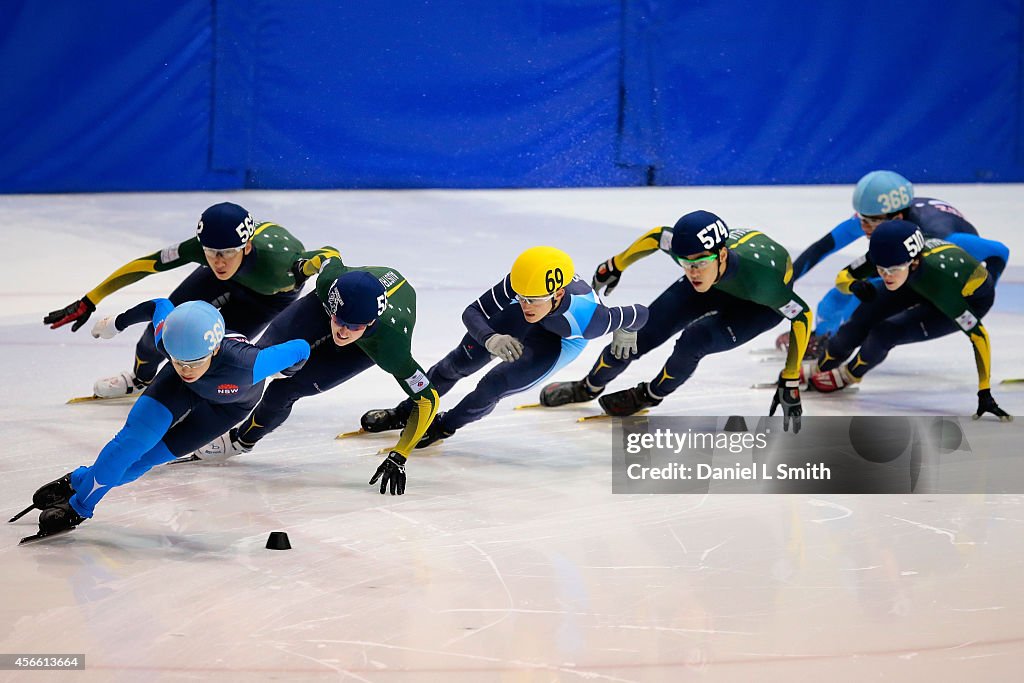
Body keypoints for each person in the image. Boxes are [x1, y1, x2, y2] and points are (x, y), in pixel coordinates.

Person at [15, 299, 311, 539]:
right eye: (178, 360)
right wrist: (117, 323)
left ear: (215, 348)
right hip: (177, 390)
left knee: (141, 462)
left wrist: (288, 373)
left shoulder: (250, 364)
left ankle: (81, 479)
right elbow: (159, 305)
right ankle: (80, 506)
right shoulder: (169, 343)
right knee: (131, 444)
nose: (186, 368)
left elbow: (301, 348)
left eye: (194, 362)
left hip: (227, 406)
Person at [539, 210, 811, 432]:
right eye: (684, 262)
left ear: (723, 255)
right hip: (718, 283)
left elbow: (802, 315)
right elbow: (658, 236)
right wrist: (616, 264)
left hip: (756, 305)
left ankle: (650, 395)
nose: (692, 270)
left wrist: (789, 379)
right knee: (638, 333)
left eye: (699, 262)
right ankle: (587, 387)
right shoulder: (695, 255)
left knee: (695, 340)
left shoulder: (764, 282)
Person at [192, 260, 439, 496]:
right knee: (261, 359)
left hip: (371, 341)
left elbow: (428, 399)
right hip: (327, 304)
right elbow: (327, 255)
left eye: (353, 327)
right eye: (339, 322)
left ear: (370, 321)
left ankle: (241, 441)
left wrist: (400, 454)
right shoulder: (330, 282)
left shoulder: (391, 346)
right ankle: (198, 400)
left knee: (286, 389)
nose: (342, 331)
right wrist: (301, 268)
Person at [359, 246, 649, 446]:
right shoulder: (520, 284)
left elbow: (640, 312)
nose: (525, 304)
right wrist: (490, 338)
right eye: (521, 297)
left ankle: (443, 426)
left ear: (558, 294)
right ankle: (406, 411)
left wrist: (627, 329)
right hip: (533, 320)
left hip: (561, 338)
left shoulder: (591, 319)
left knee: (493, 385)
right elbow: (472, 312)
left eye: (532, 299)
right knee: (459, 362)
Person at [43, 202, 338, 398]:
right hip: (229, 279)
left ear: (246, 247)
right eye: (211, 252)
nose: (219, 261)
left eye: (226, 253)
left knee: (206, 352)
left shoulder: (281, 263)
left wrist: (328, 270)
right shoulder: (202, 251)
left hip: (267, 297)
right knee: (164, 330)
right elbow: (145, 265)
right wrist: (90, 299)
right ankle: (139, 379)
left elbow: (326, 255)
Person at [779, 170, 1010, 355]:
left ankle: (831, 341)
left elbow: (999, 252)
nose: (863, 228)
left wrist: (988, 288)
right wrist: (786, 282)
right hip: (907, 262)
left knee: (864, 297)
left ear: (896, 217)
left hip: (939, 274)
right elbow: (822, 248)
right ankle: (822, 336)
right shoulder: (877, 214)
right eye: (861, 220)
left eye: (870, 223)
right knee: (844, 290)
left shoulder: (945, 238)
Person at [805, 220, 1012, 422]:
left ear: (914, 261)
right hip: (915, 282)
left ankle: (850, 374)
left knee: (884, 333)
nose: (886, 275)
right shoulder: (888, 254)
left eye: (892, 269)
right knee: (857, 323)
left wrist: (984, 391)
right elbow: (843, 276)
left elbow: (979, 336)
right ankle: (820, 366)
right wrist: (853, 286)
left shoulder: (942, 282)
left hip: (962, 297)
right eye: (881, 269)